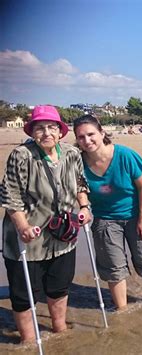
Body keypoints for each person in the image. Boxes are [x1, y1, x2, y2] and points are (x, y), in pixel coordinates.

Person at [1, 105, 91, 343]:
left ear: (61, 131)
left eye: (52, 127)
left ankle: (59, 331)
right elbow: (10, 197)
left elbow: (81, 183)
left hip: (62, 237)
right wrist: (22, 227)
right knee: (23, 296)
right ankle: (29, 342)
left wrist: (84, 207)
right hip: (27, 240)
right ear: (32, 132)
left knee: (59, 287)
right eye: (40, 128)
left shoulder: (71, 153)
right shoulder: (21, 155)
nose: (46, 133)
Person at [73, 115, 142, 310]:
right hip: (105, 221)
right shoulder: (78, 162)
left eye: (91, 134)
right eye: (81, 137)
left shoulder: (125, 155)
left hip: (136, 216)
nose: (87, 140)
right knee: (114, 269)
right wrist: (83, 207)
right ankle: (122, 310)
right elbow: (80, 188)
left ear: (102, 133)